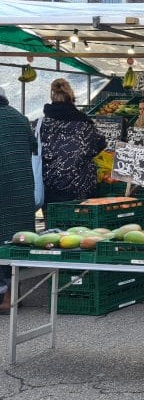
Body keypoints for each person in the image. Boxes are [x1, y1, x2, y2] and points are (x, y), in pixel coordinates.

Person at [0, 87, 38, 313]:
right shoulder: (19, 117)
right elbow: (33, 147)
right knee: (16, 244)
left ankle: (6, 297)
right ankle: (12, 295)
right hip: (21, 190)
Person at [40, 79, 107, 203]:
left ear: (52, 97)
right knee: (80, 221)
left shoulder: (40, 125)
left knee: (53, 220)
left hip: (48, 186)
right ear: (71, 98)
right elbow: (100, 144)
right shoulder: (84, 125)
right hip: (80, 187)